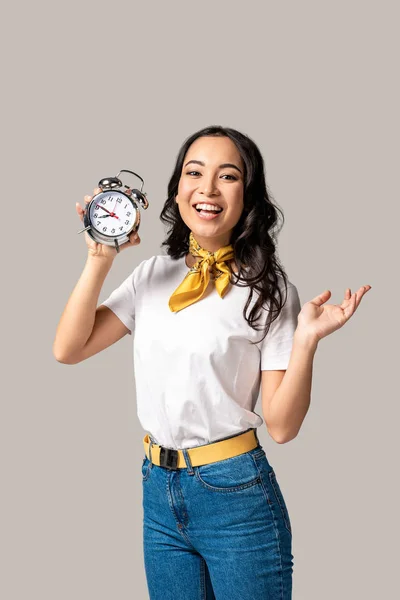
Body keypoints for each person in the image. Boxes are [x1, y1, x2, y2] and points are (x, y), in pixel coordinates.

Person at [53, 125, 371, 599]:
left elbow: (282, 427)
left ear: (248, 196)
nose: (207, 188)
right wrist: (101, 257)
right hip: (158, 491)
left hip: (236, 496)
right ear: (177, 190)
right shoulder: (152, 275)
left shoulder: (270, 289)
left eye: (228, 176)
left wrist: (306, 340)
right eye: (194, 172)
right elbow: (69, 348)